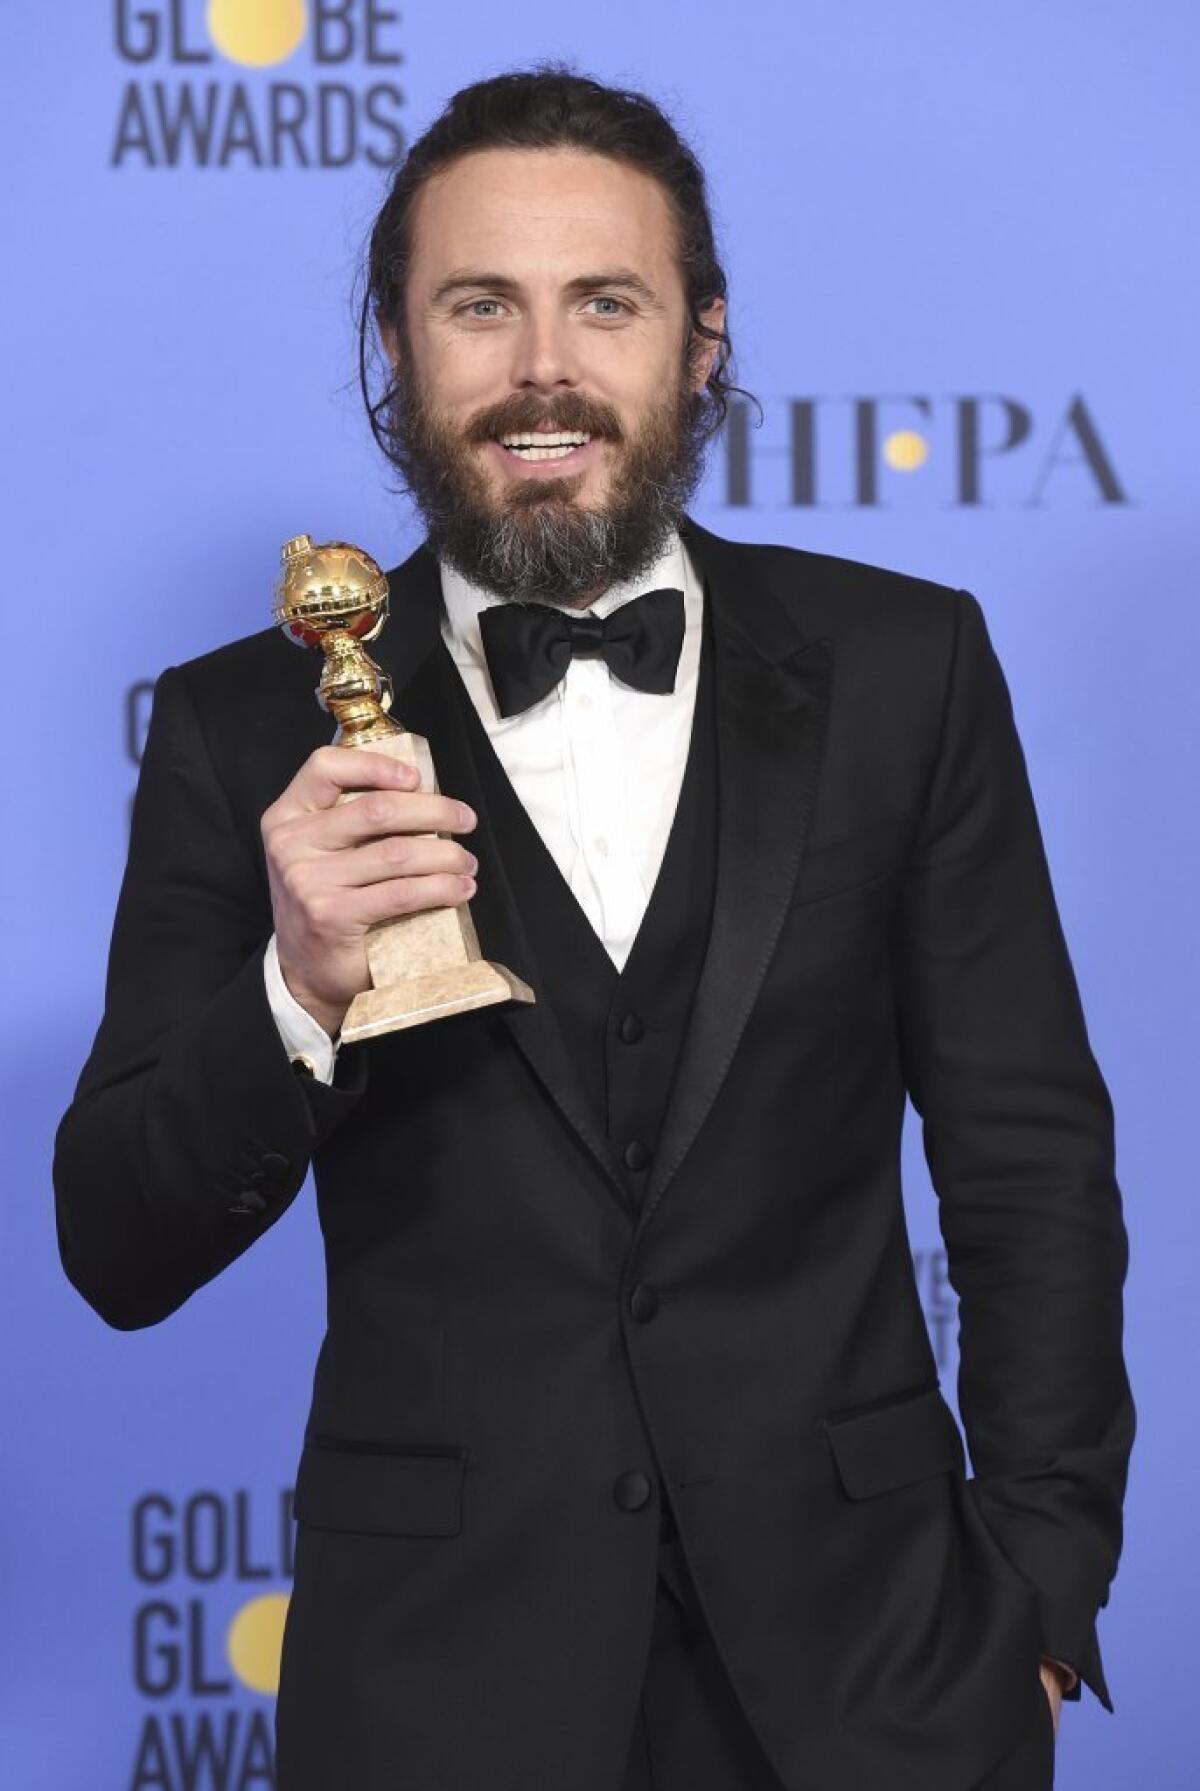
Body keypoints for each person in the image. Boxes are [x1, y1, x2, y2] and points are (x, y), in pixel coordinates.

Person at [54, 65, 1134, 1791]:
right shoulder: (243, 728)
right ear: (395, 348)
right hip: (436, 1693)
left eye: (605, 302)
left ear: (703, 339)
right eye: (480, 305)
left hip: (886, 1678)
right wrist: (296, 994)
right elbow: (115, 1242)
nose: (543, 366)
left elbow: (1030, 1163)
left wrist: (1046, 1600)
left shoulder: (904, 667)